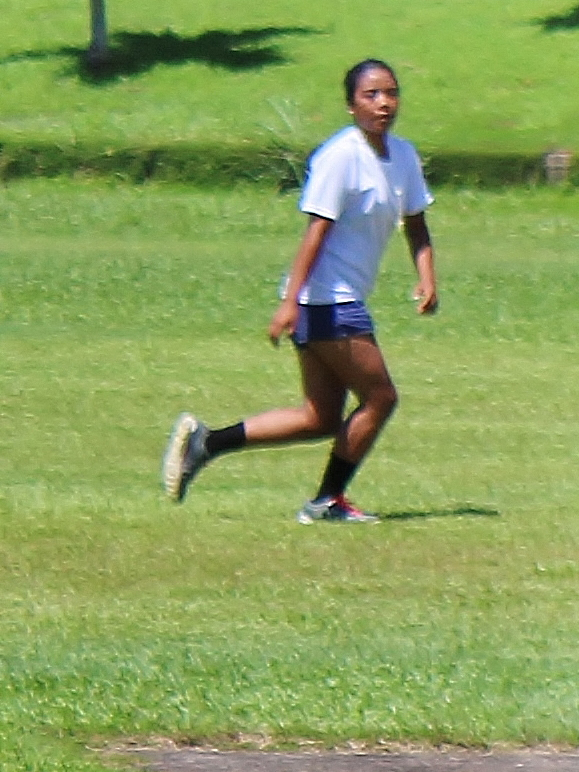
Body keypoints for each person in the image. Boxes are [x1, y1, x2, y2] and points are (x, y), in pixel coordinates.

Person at [161, 59, 437, 525]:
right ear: (351, 105)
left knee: (320, 416)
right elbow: (316, 232)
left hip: (335, 300)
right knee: (380, 397)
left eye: (390, 93)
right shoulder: (340, 156)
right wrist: (289, 301)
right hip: (327, 300)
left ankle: (206, 443)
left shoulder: (403, 156)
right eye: (371, 95)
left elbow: (417, 223)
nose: (384, 103)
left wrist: (427, 276)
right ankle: (327, 501)